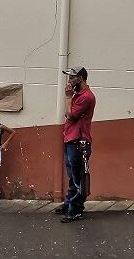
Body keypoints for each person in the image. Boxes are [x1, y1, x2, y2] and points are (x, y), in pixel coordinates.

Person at [53, 66, 96, 223]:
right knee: (72, 177)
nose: (69, 81)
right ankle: (69, 204)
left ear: (81, 79)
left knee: (78, 178)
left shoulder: (87, 97)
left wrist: (67, 97)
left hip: (79, 141)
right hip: (70, 139)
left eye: (72, 78)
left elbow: (70, 115)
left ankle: (75, 210)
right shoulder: (78, 95)